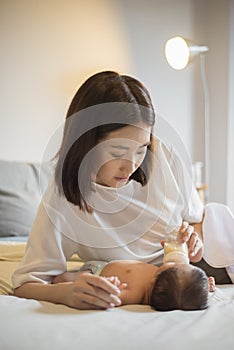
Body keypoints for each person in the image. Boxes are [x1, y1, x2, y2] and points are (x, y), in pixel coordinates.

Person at [11, 70, 226, 310]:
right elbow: (25, 284)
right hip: (124, 281)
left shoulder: (165, 156)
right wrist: (67, 293)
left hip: (182, 277)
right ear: (86, 142)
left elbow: (195, 221)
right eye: (118, 153)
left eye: (141, 148)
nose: (132, 165)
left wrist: (193, 242)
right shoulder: (63, 199)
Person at [53, 259, 216, 311]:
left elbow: (112, 298)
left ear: (157, 278)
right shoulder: (167, 280)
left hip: (95, 273)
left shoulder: (136, 293)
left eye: (175, 265)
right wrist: (205, 288)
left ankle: (60, 279)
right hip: (105, 262)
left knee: (65, 278)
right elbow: (190, 291)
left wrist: (109, 286)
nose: (174, 261)